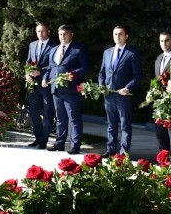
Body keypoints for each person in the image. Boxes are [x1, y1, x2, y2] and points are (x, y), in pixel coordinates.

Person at [42, 24, 90, 154]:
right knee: (60, 117)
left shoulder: (78, 49)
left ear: (71, 34)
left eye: (65, 34)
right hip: (56, 89)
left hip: (72, 90)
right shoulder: (54, 49)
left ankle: (75, 145)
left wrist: (73, 74)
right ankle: (59, 143)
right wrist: (45, 78)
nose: (62, 37)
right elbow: (50, 67)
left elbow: (85, 67)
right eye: (60, 34)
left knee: (74, 117)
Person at [98, 25, 142, 156]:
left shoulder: (132, 53)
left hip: (123, 96)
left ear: (126, 36)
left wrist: (128, 87)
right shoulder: (107, 52)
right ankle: (110, 149)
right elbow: (102, 73)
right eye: (115, 34)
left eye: (120, 34)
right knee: (111, 124)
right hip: (109, 95)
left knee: (125, 125)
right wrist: (101, 85)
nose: (117, 37)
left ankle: (123, 152)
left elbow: (138, 76)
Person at [24, 22, 56, 148]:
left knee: (48, 112)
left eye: (43, 31)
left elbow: (54, 64)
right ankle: (38, 137)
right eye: (38, 31)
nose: (40, 33)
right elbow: (28, 61)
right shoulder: (32, 45)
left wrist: (41, 72)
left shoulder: (54, 46)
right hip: (33, 84)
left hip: (46, 84)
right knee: (33, 111)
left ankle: (44, 140)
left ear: (48, 32)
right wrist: (28, 74)